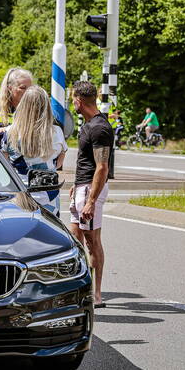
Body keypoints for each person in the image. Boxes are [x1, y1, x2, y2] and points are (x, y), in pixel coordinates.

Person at [69, 80, 114, 308]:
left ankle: (96, 295)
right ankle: (79, 287)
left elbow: (102, 167)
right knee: (75, 239)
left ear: (79, 100)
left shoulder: (99, 128)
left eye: (72, 99)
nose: (71, 103)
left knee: (92, 241)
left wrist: (91, 201)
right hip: (82, 187)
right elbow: (86, 162)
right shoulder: (88, 125)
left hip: (91, 190)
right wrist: (76, 186)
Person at [0, 85, 67, 215]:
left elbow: (5, 166)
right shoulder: (57, 132)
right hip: (49, 195)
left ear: (23, 106)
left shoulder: (9, 133)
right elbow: (59, 164)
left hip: (20, 196)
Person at [0, 68, 33, 132]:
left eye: (30, 88)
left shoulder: (34, 108)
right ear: (9, 87)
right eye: (22, 88)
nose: (28, 91)